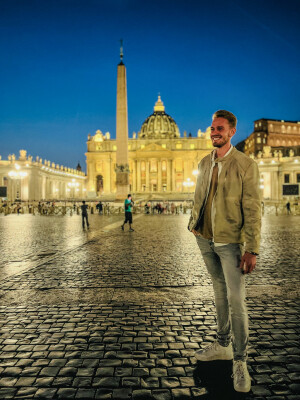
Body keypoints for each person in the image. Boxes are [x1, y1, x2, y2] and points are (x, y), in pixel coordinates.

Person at [188, 110, 261, 393]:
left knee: (236, 300)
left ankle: (240, 361)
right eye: (212, 127)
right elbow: (198, 195)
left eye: (220, 128)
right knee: (219, 292)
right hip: (205, 238)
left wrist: (252, 248)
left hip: (230, 242)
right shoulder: (205, 162)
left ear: (231, 131)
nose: (214, 131)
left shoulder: (246, 164)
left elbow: (254, 209)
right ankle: (222, 344)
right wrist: (193, 224)